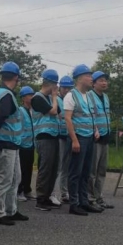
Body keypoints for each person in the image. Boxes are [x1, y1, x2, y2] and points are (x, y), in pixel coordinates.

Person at [0, 61, 28, 227]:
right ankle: (0, 212)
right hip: (5, 143)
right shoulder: (6, 95)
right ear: (16, 77)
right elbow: (1, 116)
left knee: (15, 178)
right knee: (5, 179)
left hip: (11, 143)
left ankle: (11, 210)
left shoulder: (1, 93)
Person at [64, 65, 102, 216]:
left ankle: (84, 201)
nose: (91, 78)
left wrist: (96, 129)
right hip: (79, 137)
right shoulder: (71, 96)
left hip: (90, 137)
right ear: (79, 78)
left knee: (86, 172)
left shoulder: (90, 96)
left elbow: (92, 115)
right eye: (88, 76)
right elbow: (68, 119)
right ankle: (74, 204)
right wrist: (74, 140)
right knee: (75, 172)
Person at [31, 69, 62, 212]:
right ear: (50, 84)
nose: (56, 88)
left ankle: (48, 196)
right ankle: (41, 199)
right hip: (44, 136)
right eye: (55, 85)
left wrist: (54, 98)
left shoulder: (49, 98)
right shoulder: (37, 98)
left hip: (53, 135)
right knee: (45, 168)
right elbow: (54, 111)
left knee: (53, 168)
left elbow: (59, 111)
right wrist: (55, 97)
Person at [88, 71, 113, 210]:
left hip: (105, 137)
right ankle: (90, 198)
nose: (104, 83)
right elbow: (90, 115)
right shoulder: (90, 96)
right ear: (94, 83)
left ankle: (99, 197)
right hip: (95, 138)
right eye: (101, 80)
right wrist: (95, 129)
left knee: (102, 171)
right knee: (92, 171)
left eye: (105, 80)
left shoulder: (106, 97)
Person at [54, 75, 74, 205]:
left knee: (67, 166)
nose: (66, 90)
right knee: (59, 166)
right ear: (60, 88)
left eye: (69, 88)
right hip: (59, 136)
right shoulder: (56, 99)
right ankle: (55, 194)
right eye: (64, 88)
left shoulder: (72, 99)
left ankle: (65, 192)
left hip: (69, 136)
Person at [17, 86, 36, 202]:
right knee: (22, 169)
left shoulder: (32, 111)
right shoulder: (20, 111)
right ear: (23, 98)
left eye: (33, 95)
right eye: (29, 95)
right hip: (22, 144)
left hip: (31, 143)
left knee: (29, 168)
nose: (32, 97)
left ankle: (27, 190)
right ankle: (19, 191)